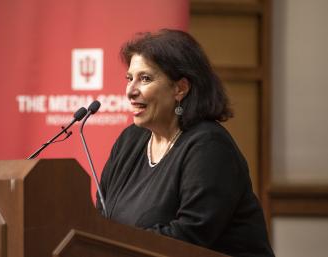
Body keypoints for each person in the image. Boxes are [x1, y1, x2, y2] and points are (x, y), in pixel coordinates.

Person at [96, 29, 275, 257]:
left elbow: (190, 235)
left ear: (180, 88)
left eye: (145, 78)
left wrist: (116, 246)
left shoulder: (209, 147)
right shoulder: (129, 140)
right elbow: (101, 217)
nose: (130, 91)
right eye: (129, 78)